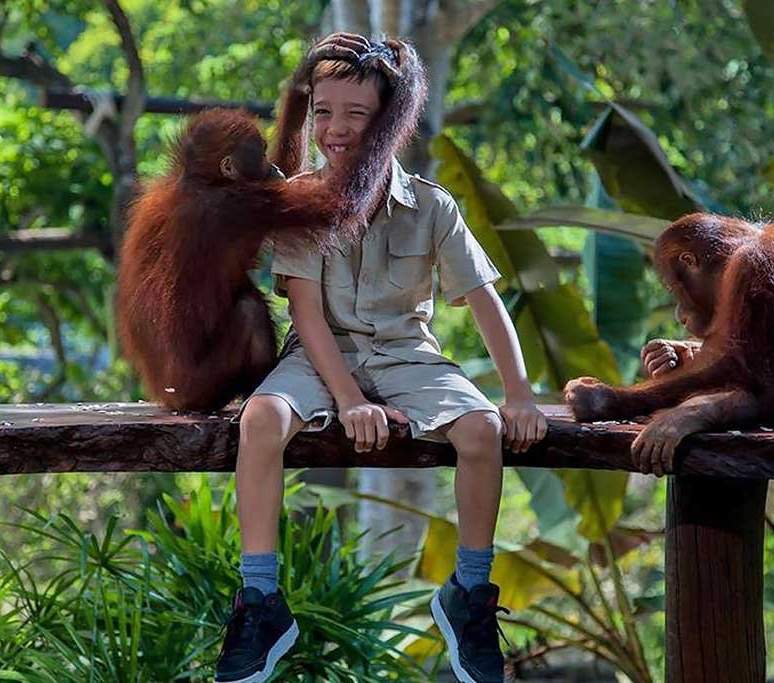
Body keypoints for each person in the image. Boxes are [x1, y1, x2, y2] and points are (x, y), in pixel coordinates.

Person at [214, 34, 547, 683]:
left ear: (388, 122)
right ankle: (260, 598)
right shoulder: (303, 201)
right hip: (318, 355)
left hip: (406, 354)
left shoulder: (431, 206)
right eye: (324, 112)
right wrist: (349, 401)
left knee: (481, 431)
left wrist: (520, 392)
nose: (335, 129)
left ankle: (468, 593)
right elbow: (307, 315)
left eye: (356, 114)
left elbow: (484, 302)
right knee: (258, 422)